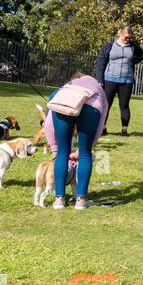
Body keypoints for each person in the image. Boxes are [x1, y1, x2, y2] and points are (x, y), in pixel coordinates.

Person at [40, 71, 108, 210]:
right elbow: (100, 125)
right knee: (85, 153)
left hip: (63, 105)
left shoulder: (65, 87)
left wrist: (54, 149)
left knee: (62, 154)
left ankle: (59, 199)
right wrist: (85, 147)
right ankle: (81, 200)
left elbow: (48, 123)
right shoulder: (98, 88)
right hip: (92, 106)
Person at [95, 26, 143, 137]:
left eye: (129, 37)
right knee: (106, 105)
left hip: (126, 80)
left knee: (124, 105)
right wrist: (99, 78)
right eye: (126, 37)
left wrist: (132, 62)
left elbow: (142, 55)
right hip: (109, 79)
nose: (127, 39)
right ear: (120, 34)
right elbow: (100, 61)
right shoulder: (109, 46)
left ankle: (124, 130)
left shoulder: (133, 46)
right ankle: (102, 128)